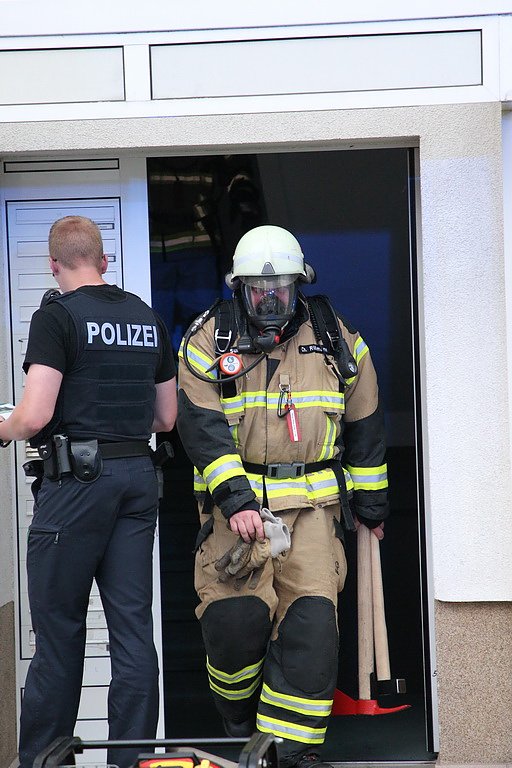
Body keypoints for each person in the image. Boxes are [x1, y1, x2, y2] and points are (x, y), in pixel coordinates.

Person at [177, 225, 388, 768]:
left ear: (300, 285)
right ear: (239, 289)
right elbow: (200, 427)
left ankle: (291, 755)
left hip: (314, 511)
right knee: (234, 624)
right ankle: (240, 721)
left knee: (311, 631)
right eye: (258, 291)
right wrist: (237, 500)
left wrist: (371, 506)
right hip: (236, 512)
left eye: (281, 290)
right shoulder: (208, 340)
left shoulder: (335, 337)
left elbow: (365, 419)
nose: (270, 301)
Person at [0, 216, 177, 768]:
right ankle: (131, 759)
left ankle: (45, 761)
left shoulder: (56, 318)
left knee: (59, 634)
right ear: (104, 261)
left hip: (77, 487)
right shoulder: (147, 318)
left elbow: (34, 416)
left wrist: (3, 426)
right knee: (132, 632)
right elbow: (166, 419)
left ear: (53, 265)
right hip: (136, 481)